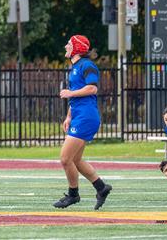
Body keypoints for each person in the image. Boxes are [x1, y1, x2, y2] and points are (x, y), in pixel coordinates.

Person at [54, 35, 112, 210]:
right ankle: (101, 188)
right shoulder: (75, 67)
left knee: (65, 159)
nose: (66, 46)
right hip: (79, 115)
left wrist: (69, 94)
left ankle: (73, 195)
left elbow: (92, 88)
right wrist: (69, 116)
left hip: (87, 117)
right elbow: (76, 93)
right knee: (76, 160)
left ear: (77, 48)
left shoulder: (87, 65)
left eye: (69, 44)